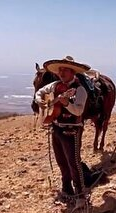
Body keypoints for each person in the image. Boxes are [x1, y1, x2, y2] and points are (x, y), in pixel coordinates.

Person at [35, 57, 92, 205]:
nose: (61, 72)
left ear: (72, 72)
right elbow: (41, 91)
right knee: (61, 161)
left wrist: (66, 103)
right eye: (59, 70)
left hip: (71, 130)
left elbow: (78, 111)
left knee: (73, 162)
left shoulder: (79, 90)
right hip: (56, 128)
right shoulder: (55, 85)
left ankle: (80, 194)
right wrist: (39, 99)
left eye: (64, 70)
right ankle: (66, 189)